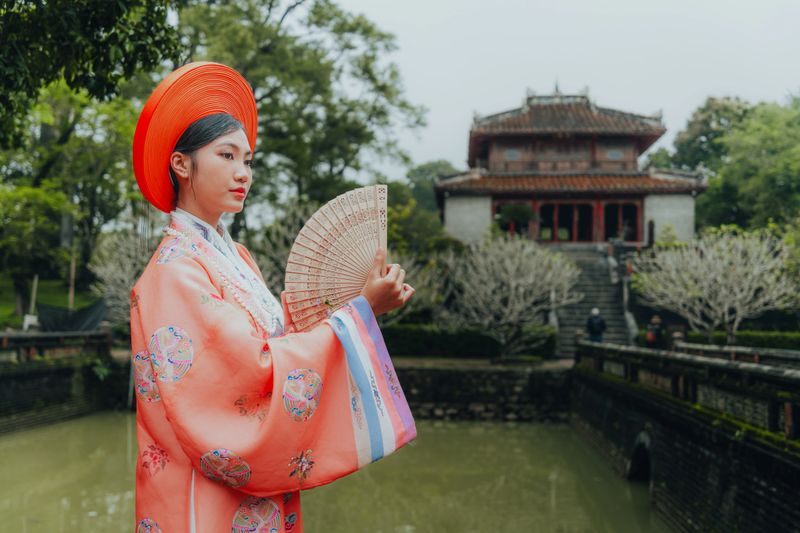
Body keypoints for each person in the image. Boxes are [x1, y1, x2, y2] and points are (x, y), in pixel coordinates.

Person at [129, 62, 416, 533]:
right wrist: (360, 313)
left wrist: (353, 299)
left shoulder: (234, 255)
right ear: (181, 164)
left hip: (244, 496)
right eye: (226, 156)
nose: (243, 172)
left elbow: (277, 335)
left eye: (248, 159)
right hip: (203, 497)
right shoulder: (175, 270)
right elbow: (252, 370)